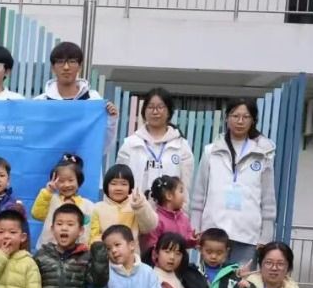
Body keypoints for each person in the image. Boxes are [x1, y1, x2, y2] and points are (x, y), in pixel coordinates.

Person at [192, 98, 277, 265]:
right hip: (213, 234)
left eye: (246, 117)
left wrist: (266, 236)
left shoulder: (263, 154)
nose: (240, 121)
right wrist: (196, 227)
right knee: (212, 280)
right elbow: (199, 194)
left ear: (253, 120)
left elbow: (268, 198)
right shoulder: (211, 151)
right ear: (226, 118)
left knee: (242, 280)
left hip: (247, 235)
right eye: (235, 116)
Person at [33, 41, 118, 153]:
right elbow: (33, 141)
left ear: (80, 67)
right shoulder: (40, 103)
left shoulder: (93, 100)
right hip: (49, 162)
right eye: (60, 62)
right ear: (53, 68)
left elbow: (104, 146)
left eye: (72, 62)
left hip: (83, 162)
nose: (66, 67)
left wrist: (111, 120)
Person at [116, 87, 194, 198]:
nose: (155, 112)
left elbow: (185, 186)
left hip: (169, 208)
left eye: (160, 107)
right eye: (150, 107)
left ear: (169, 111)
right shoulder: (130, 144)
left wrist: (183, 208)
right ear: (144, 111)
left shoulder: (181, 146)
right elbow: (120, 180)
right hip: (135, 206)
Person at [30, 154, 94, 248]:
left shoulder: (88, 205)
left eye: (70, 180)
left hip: (78, 254)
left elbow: (93, 231)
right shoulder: (50, 199)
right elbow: (37, 214)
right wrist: (48, 192)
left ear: (78, 181)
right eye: (61, 181)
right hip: (49, 252)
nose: (66, 185)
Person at [89, 164, 157, 244]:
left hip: (132, 251)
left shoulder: (136, 206)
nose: (118, 188)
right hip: (106, 251)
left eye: (124, 184)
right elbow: (94, 237)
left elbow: (149, 227)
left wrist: (140, 205)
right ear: (106, 186)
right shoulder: (98, 208)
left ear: (130, 187)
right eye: (114, 184)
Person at [141, 175, 197, 255]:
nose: (184, 196)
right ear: (169, 196)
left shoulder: (184, 219)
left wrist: (193, 239)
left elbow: (186, 242)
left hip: (180, 261)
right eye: (181, 191)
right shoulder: (156, 220)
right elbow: (151, 246)